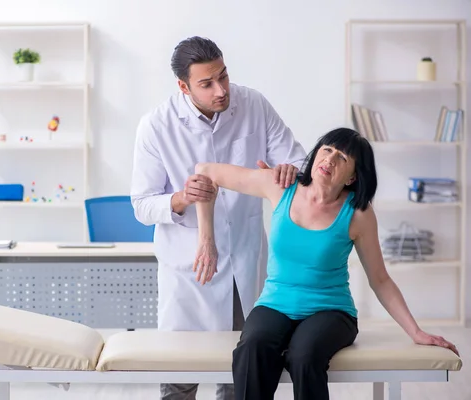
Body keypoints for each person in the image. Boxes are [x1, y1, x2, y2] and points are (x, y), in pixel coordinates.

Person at [192, 127, 459, 400]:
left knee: (303, 356)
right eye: (327, 149)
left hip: (331, 311)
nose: (330, 159)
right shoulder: (280, 187)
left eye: (342, 157)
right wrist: (206, 238)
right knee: (251, 348)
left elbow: (380, 279)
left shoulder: (358, 214)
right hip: (275, 303)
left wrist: (415, 332)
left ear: (353, 176)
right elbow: (205, 170)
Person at [130, 36, 308, 400]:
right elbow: (142, 205)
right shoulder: (156, 126)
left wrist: (286, 171)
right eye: (207, 84)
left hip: (244, 261)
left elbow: (300, 162)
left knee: (240, 372)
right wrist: (181, 198)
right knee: (179, 379)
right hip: (188, 271)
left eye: (223, 76)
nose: (221, 90)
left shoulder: (254, 105)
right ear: (183, 86)